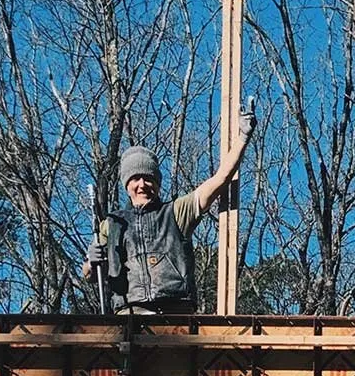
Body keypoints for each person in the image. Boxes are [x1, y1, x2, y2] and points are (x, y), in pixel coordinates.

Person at [86, 110, 255, 314]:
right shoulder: (112, 225)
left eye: (149, 178)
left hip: (176, 311)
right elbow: (91, 275)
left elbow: (220, 180)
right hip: (129, 316)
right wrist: (92, 262)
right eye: (135, 178)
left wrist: (242, 137)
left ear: (157, 183)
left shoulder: (177, 212)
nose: (142, 184)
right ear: (126, 184)